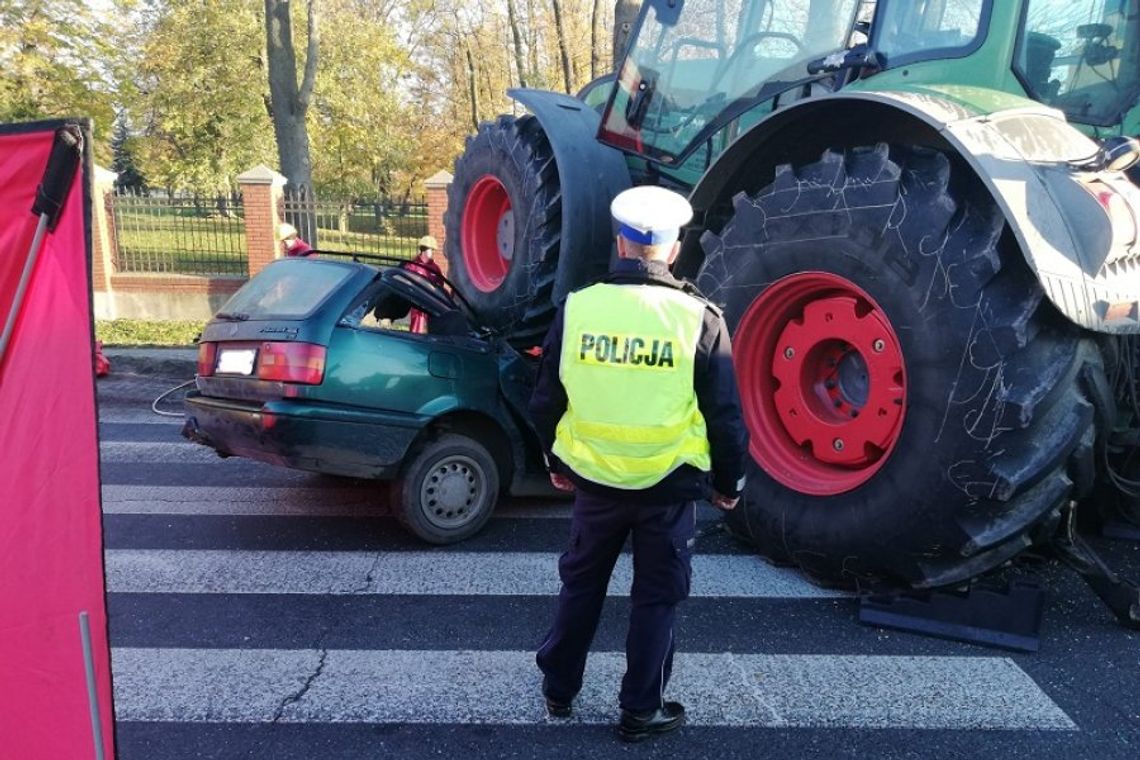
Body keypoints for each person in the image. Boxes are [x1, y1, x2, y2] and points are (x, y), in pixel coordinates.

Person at [528, 185, 747, 743]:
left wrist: (555, 458)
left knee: (581, 586)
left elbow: (547, 398)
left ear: (621, 243)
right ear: (672, 251)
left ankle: (559, 690)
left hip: (595, 483)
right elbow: (723, 413)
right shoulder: (700, 318)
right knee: (656, 598)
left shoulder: (578, 308)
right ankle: (640, 710)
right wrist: (729, 482)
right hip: (668, 491)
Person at [402, 235, 446, 334]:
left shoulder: (435, 268)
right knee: (417, 326)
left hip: (431, 302)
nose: (432, 253)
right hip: (418, 302)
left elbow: (440, 285)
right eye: (431, 250)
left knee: (433, 326)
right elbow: (405, 282)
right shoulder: (412, 266)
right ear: (424, 250)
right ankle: (415, 339)